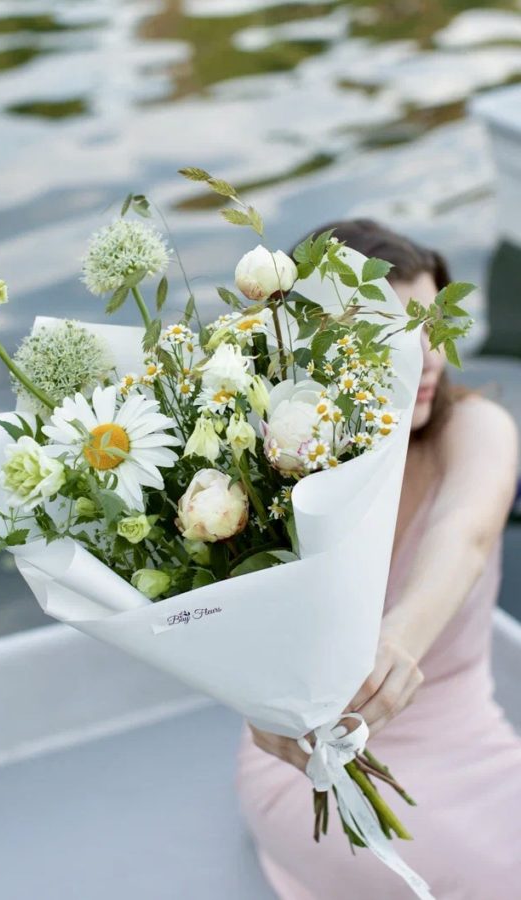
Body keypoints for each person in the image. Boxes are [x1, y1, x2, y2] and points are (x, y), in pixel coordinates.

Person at [236, 220, 521, 899]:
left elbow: (468, 534)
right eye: (390, 333)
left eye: (432, 325)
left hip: (467, 741)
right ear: (322, 345)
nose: (425, 357)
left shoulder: (474, 427)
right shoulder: (267, 462)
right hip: (310, 768)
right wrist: (262, 705)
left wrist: (398, 640)